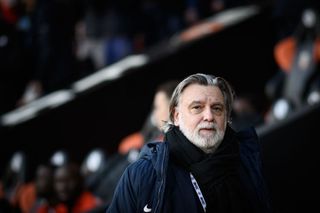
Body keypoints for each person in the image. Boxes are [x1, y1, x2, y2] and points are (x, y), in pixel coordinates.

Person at [107, 73, 272, 213]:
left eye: (217, 108)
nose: (208, 116)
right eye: (197, 108)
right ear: (177, 116)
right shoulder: (142, 176)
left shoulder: (252, 160)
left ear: (226, 117)